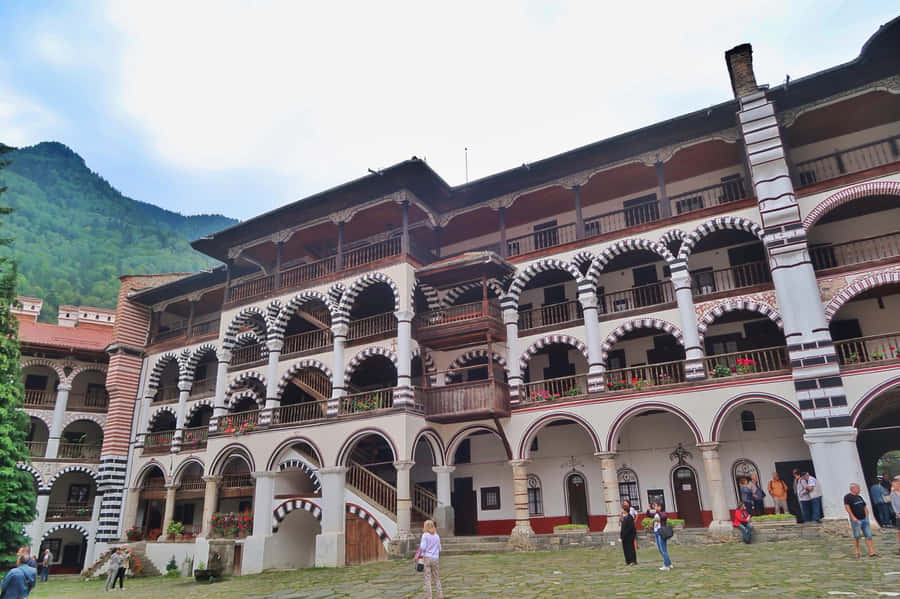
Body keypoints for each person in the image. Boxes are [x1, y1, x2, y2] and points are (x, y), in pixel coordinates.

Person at [844, 483, 878, 558]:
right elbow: (847, 507)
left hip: (864, 519)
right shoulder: (848, 497)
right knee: (857, 536)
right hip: (856, 519)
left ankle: (872, 552)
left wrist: (867, 516)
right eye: (858, 488)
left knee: (868, 535)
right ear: (853, 488)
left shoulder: (859, 497)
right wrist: (853, 517)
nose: (859, 490)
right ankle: (857, 552)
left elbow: (864, 506)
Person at [415, 520, 442, 599]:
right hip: (435, 558)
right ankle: (440, 596)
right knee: (437, 578)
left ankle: (429, 597)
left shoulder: (425, 535)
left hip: (427, 558)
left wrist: (418, 555)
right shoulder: (437, 536)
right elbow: (440, 548)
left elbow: (422, 547)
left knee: (427, 578)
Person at [650, 501, 672, 571]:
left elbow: (663, 517)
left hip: (661, 532)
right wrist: (648, 510)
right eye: (654, 506)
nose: (655, 507)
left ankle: (667, 565)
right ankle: (668, 563)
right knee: (661, 550)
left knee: (663, 550)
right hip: (656, 532)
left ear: (660, 507)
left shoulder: (663, 513)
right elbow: (649, 515)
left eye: (656, 506)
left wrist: (658, 511)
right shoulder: (656, 513)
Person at [890, 476, 900, 555]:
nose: (893, 486)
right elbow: (893, 505)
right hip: (899, 515)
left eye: (894, 484)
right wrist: (897, 513)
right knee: (899, 532)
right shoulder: (893, 494)